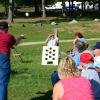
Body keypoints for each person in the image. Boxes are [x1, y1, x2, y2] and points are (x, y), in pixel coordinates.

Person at [0, 21, 25, 100]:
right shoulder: (9, 36)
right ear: (7, 28)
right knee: (3, 83)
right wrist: (20, 37)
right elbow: (15, 43)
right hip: (4, 58)